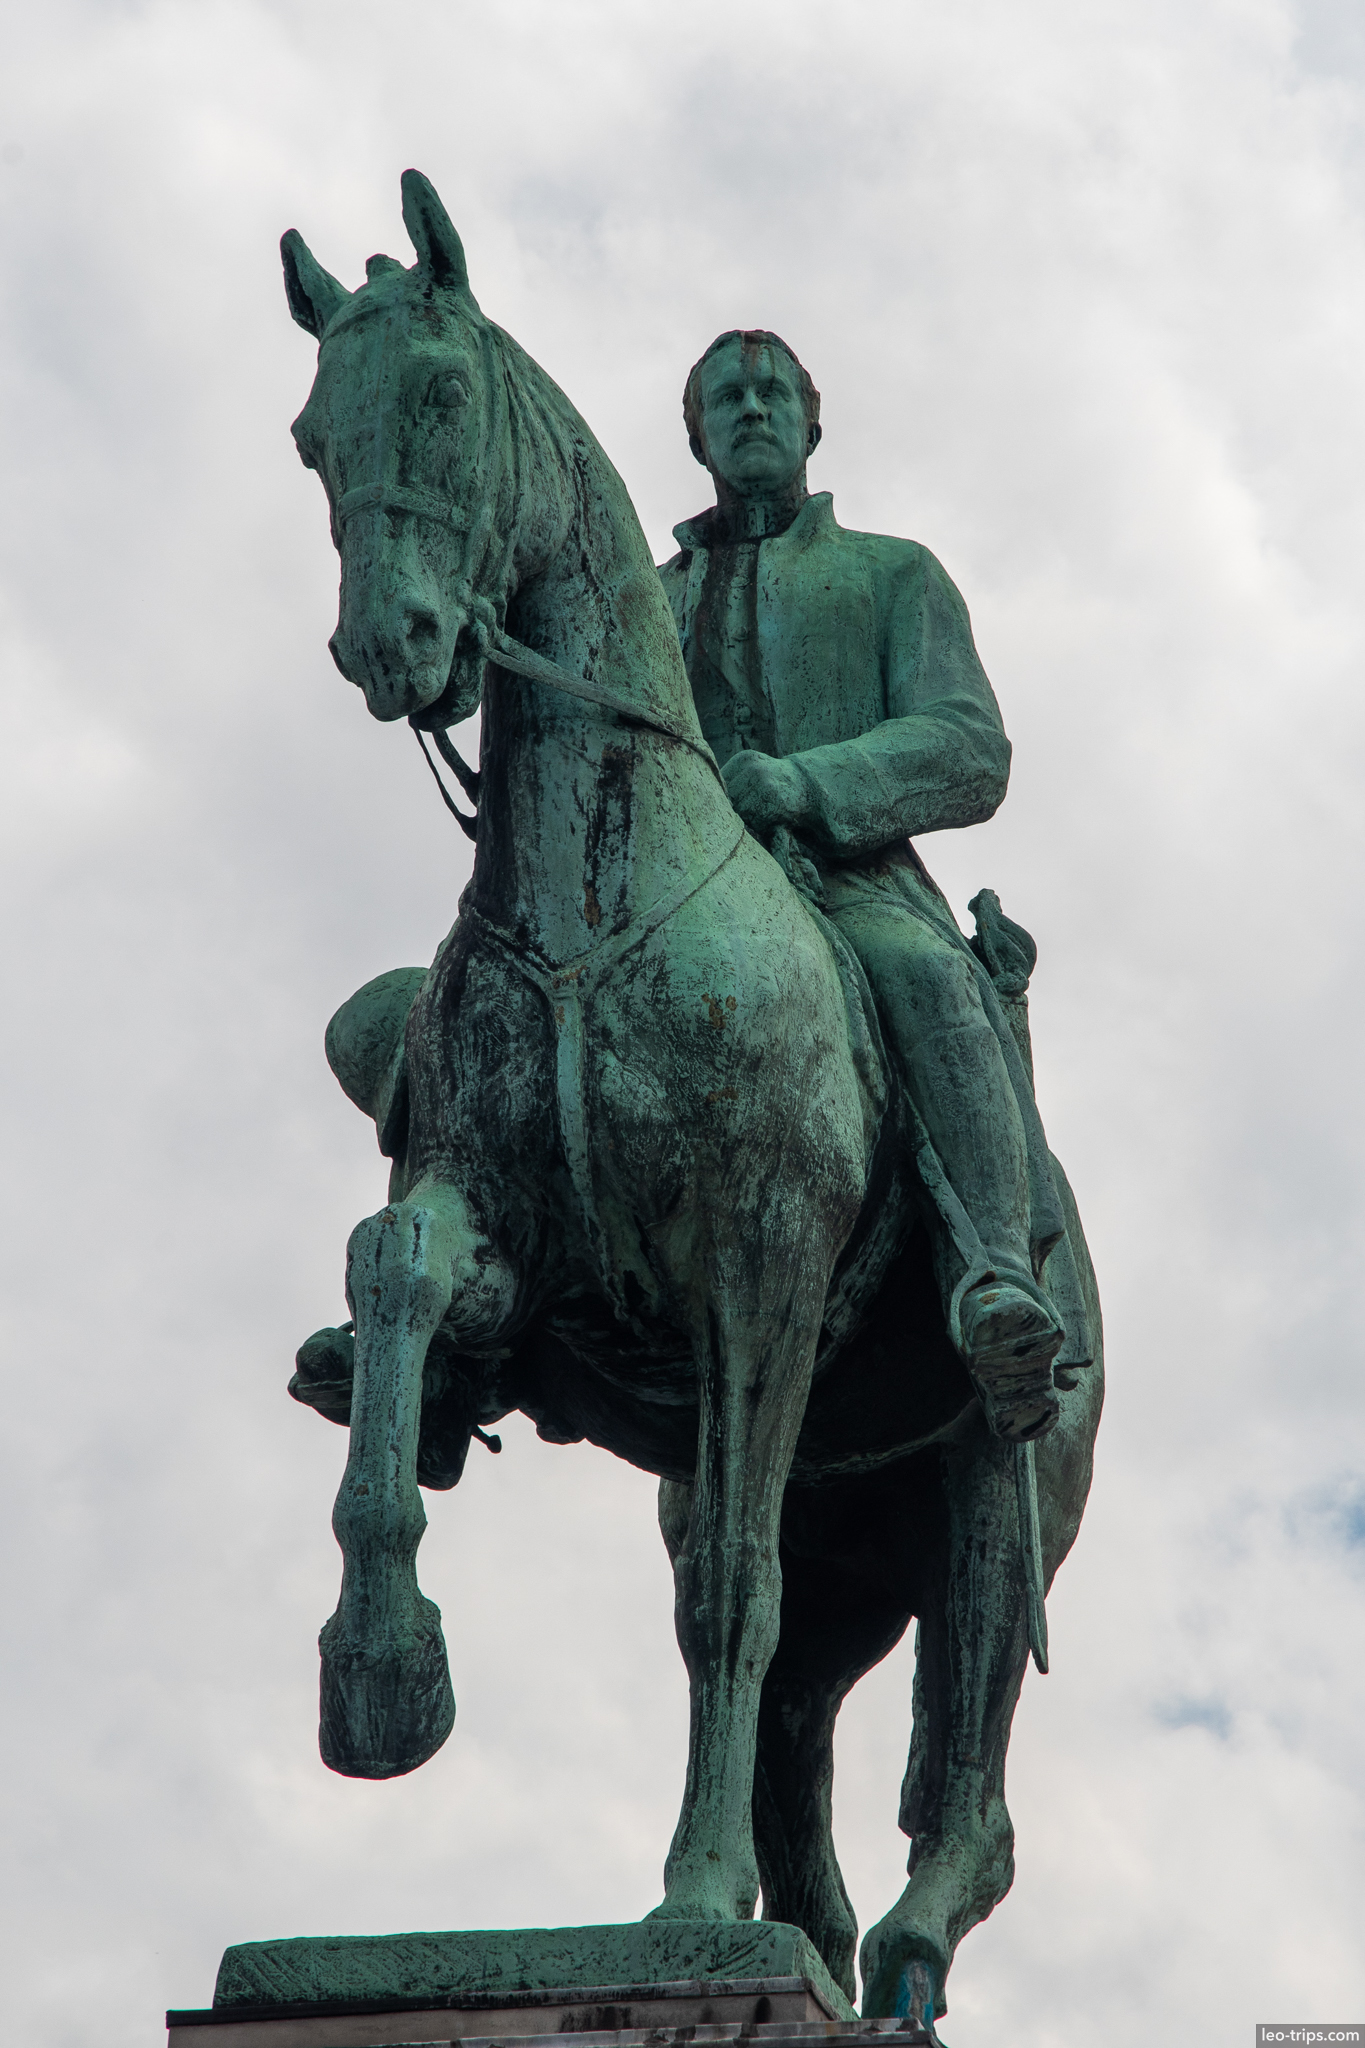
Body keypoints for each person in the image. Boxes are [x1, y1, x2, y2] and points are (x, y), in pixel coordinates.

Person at [658, 329, 1088, 1441]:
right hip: (661, 907)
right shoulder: (646, 599)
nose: (750, 409)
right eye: (724, 398)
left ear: (810, 422)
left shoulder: (893, 573)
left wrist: (804, 781)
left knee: (929, 982)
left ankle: (997, 1273)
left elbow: (967, 745)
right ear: (696, 436)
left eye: (770, 392)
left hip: (847, 887)